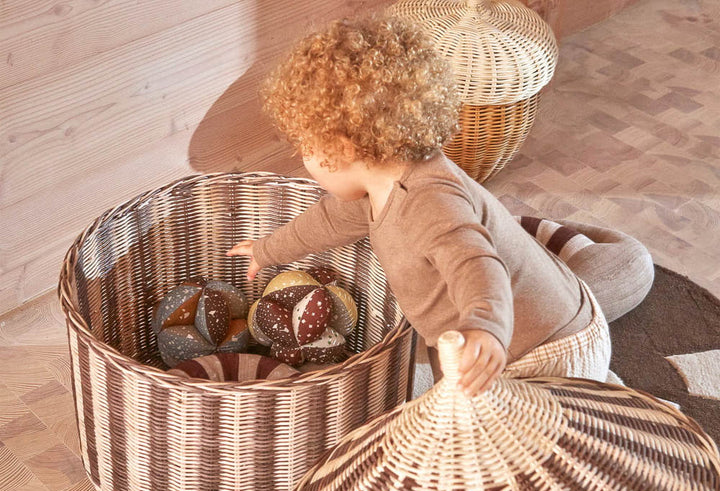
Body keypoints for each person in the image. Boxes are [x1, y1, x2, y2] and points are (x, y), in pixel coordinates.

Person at [227, 13, 612, 395]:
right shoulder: (379, 181)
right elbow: (328, 220)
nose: (303, 161)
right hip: (503, 335)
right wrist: (267, 250)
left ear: (342, 149)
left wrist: (485, 328)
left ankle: (596, 401)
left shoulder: (429, 201)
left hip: (540, 352)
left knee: (487, 447)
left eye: (305, 149)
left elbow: (475, 264)